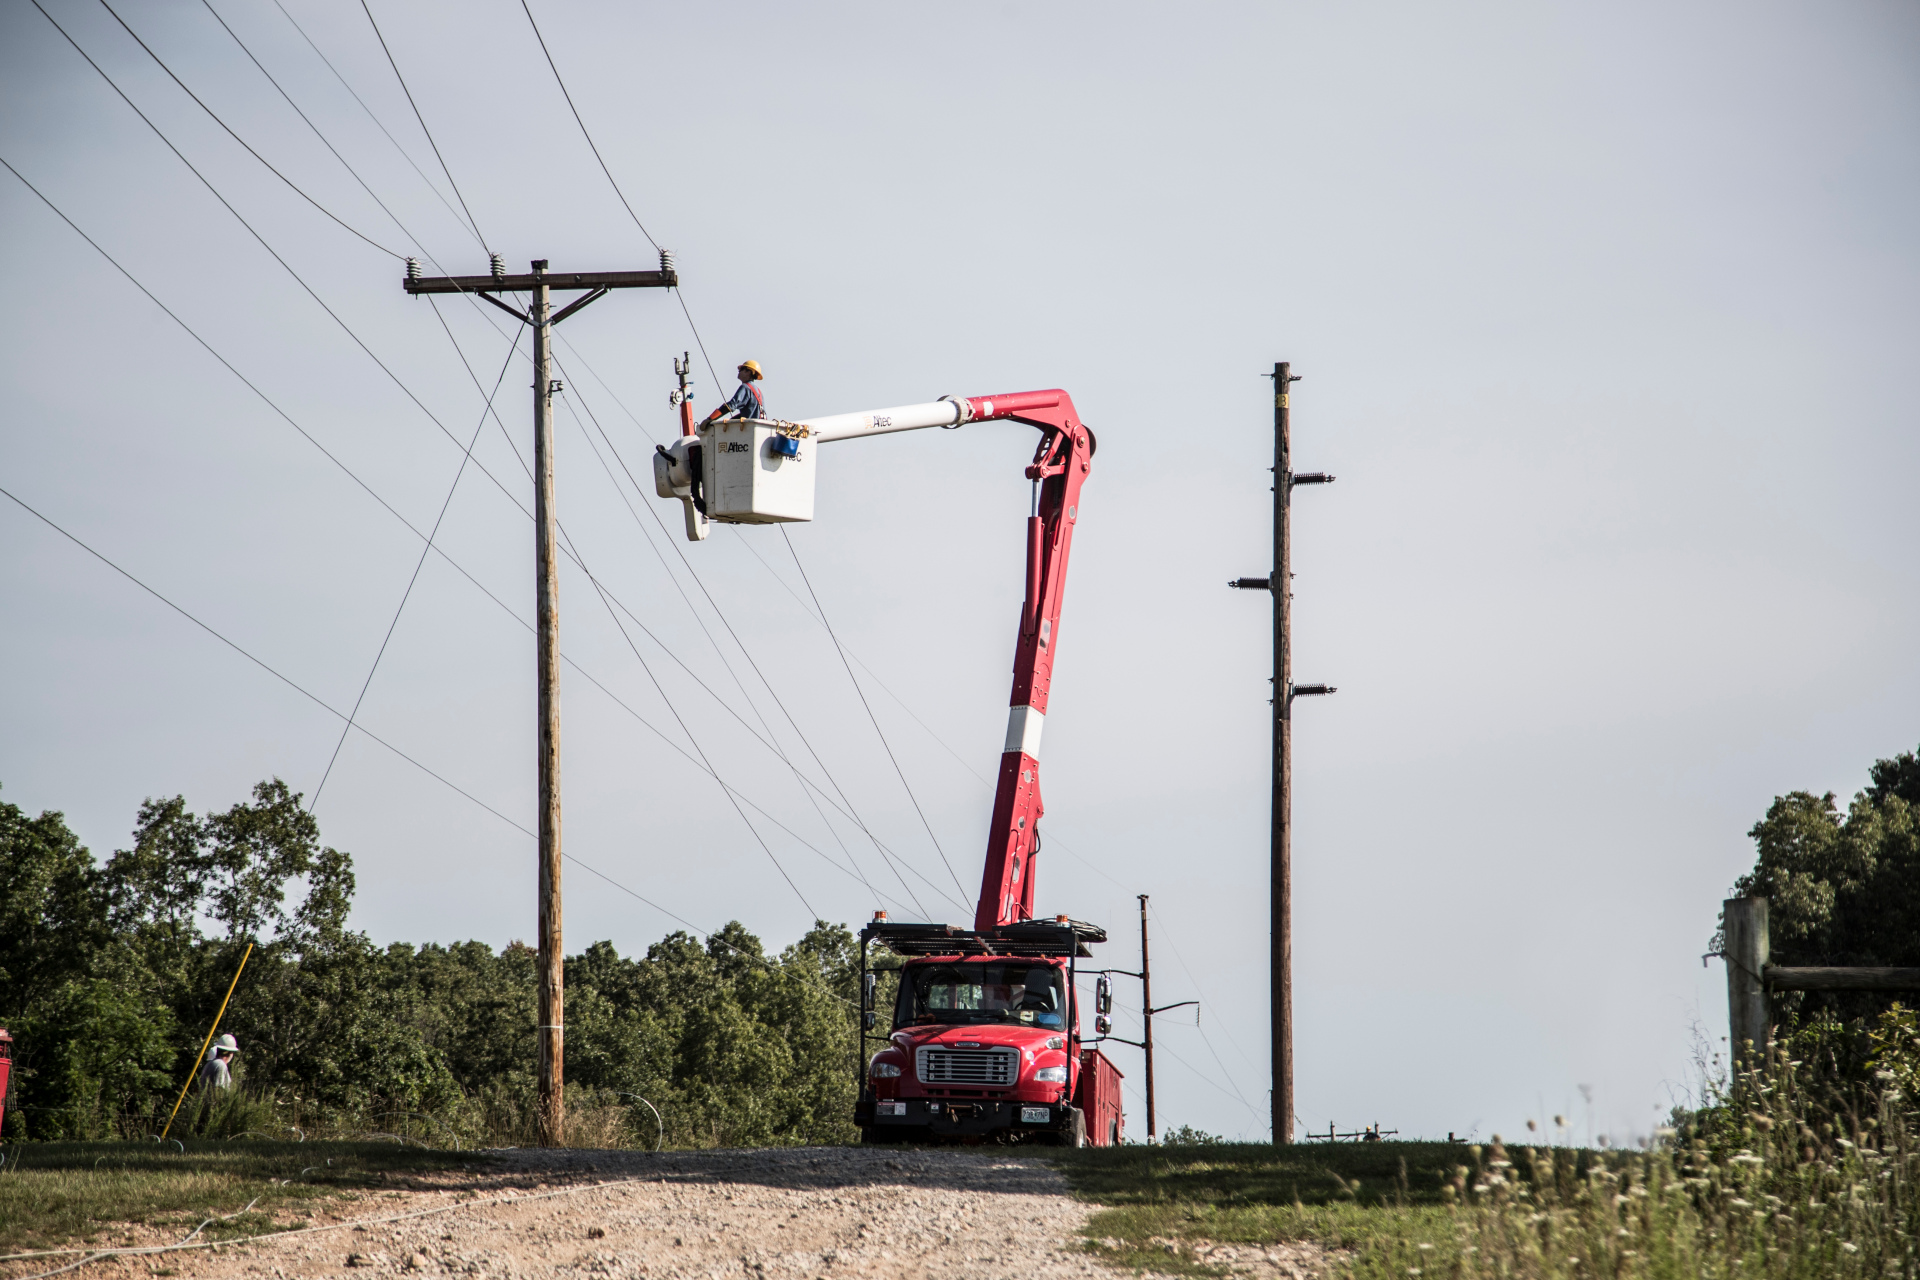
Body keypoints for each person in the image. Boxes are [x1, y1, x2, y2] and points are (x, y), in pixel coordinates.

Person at [701, 360, 766, 425]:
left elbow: (731, 405)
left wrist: (710, 419)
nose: (739, 371)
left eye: (742, 369)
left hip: (749, 429)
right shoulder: (758, 391)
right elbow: (751, 413)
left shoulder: (745, 387)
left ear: (749, 372)